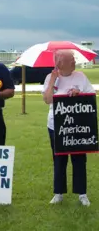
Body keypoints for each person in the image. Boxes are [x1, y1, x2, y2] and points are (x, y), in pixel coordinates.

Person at [42, 49, 94, 206]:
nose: (74, 62)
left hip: (78, 126)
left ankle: (82, 194)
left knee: (79, 159)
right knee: (59, 159)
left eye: (73, 59)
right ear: (59, 62)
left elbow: (91, 95)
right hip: (55, 125)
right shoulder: (50, 78)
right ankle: (58, 193)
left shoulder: (80, 77)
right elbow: (47, 99)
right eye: (70, 59)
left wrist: (79, 92)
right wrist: (52, 80)